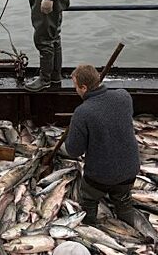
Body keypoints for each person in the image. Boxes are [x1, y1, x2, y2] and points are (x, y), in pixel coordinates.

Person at [62, 65, 141, 225]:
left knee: (89, 200)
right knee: (123, 199)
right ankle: (131, 229)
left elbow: (73, 150)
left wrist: (70, 135)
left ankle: (90, 226)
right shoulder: (124, 96)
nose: (75, 90)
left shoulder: (82, 112)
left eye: (75, 86)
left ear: (83, 87)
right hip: (130, 170)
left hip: (99, 177)